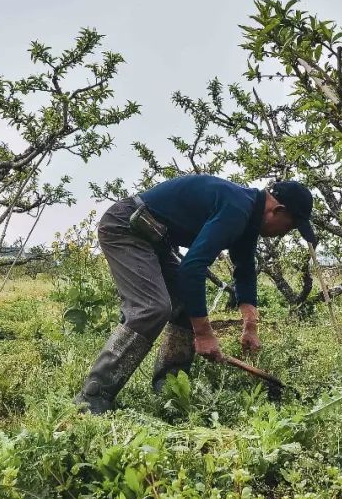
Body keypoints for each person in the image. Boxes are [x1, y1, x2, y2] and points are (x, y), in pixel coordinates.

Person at [74, 174, 317, 414]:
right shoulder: (237, 208)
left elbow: (244, 270)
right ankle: (94, 395)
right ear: (278, 210)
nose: (285, 233)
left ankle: (170, 388)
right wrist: (204, 334)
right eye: (290, 225)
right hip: (126, 226)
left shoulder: (248, 216)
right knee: (152, 308)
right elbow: (192, 268)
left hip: (153, 237)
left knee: (186, 308)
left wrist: (250, 324)